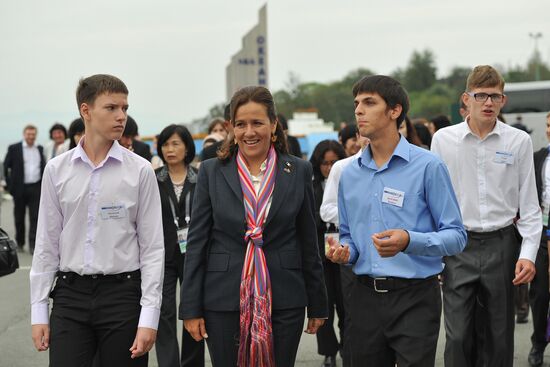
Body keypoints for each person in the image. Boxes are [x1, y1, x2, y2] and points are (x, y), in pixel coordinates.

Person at [180, 86, 328, 367]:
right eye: (241, 124)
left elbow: (309, 240)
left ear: (273, 125)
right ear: (231, 129)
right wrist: (190, 307)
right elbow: (197, 243)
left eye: (257, 123)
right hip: (223, 297)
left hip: (284, 296)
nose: (249, 132)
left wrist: (318, 303)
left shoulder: (297, 170)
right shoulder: (211, 171)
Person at [326, 74, 466, 366]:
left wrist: (409, 240)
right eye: (356, 104)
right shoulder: (348, 174)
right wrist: (345, 251)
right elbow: (349, 235)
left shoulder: (428, 166)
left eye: (369, 103)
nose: (358, 111)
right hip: (362, 296)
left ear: (395, 110)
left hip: (415, 297)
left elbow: (456, 236)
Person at [30, 74, 165, 366]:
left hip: (123, 296)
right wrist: (39, 309)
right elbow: (46, 243)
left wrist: (149, 316)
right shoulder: (57, 170)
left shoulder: (140, 171)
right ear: (86, 111)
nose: (121, 117)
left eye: (125, 108)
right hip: (69, 296)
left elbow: (153, 248)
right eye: (112, 108)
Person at [431, 65, 542, 367]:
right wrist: (435, 252)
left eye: (496, 96)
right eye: (481, 96)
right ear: (466, 99)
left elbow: (530, 206)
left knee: (498, 334)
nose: (489, 103)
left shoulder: (518, 141)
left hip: (502, 243)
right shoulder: (443, 140)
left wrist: (529, 254)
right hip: (458, 243)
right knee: (456, 336)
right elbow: (434, 201)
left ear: (503, 101)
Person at [154, 124, 204, 367]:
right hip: (162, 254)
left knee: (192, 309)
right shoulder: (153, 179)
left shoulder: (200, 178)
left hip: (194, 253)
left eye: (175, 144)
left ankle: (192, 363)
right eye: (165, 144)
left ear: (187, 147)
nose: (170, 149)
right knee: (163, 312)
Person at [320, 132, 369, 367]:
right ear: (359, 136)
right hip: (353, 252)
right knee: (352, 314)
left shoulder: (409, 164)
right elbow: (327, 210)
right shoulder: (344, 168)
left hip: (394, 252)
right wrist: (361, 217)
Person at [309, 140, 347, 367]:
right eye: (325, 163)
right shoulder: (311, 184)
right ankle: (328, 352)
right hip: (320, 254)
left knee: (346, 305)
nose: (329, 167)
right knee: (324, 306)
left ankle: (348, 347)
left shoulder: (349, 179)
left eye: (334, 162)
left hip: (344, 250)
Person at [527, 111, 550, 366]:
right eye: (547, 125)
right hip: (543, 235)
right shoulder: (539, 158)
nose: (549, 130)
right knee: (541, 295)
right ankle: (537, 344)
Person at [3, 124, 45, 253]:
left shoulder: (39, 148)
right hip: (19, 188)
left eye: (33, 134)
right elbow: (6, 166)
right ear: (24, 134)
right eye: (28, 134)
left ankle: (33, 245)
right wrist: (10, 186)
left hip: (35, 187)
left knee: (35, 217)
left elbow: (43, 166)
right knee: (19, 217)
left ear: (36, 135)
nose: (31, 136)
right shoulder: (14, 148)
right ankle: (20, 242)